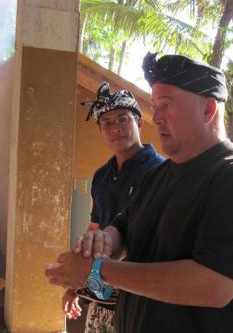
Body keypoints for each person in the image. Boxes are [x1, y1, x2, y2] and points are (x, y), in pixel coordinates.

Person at [46, 53, 233, 332]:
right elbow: (124, 225)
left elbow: (213, 285)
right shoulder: (160, 175)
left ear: (208, 110)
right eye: (154, 106)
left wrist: (96, 271)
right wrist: (102, 241)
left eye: (166, 106)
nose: (155, 117)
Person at [63, 82, 164, 332]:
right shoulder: (101, 176)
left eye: (123, 119)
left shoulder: (160, 173)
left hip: (141, 300)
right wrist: (74, 283)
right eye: (106, 122)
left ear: (139, 123)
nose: (115, 128)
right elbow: (94, 229)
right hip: (101, 293)